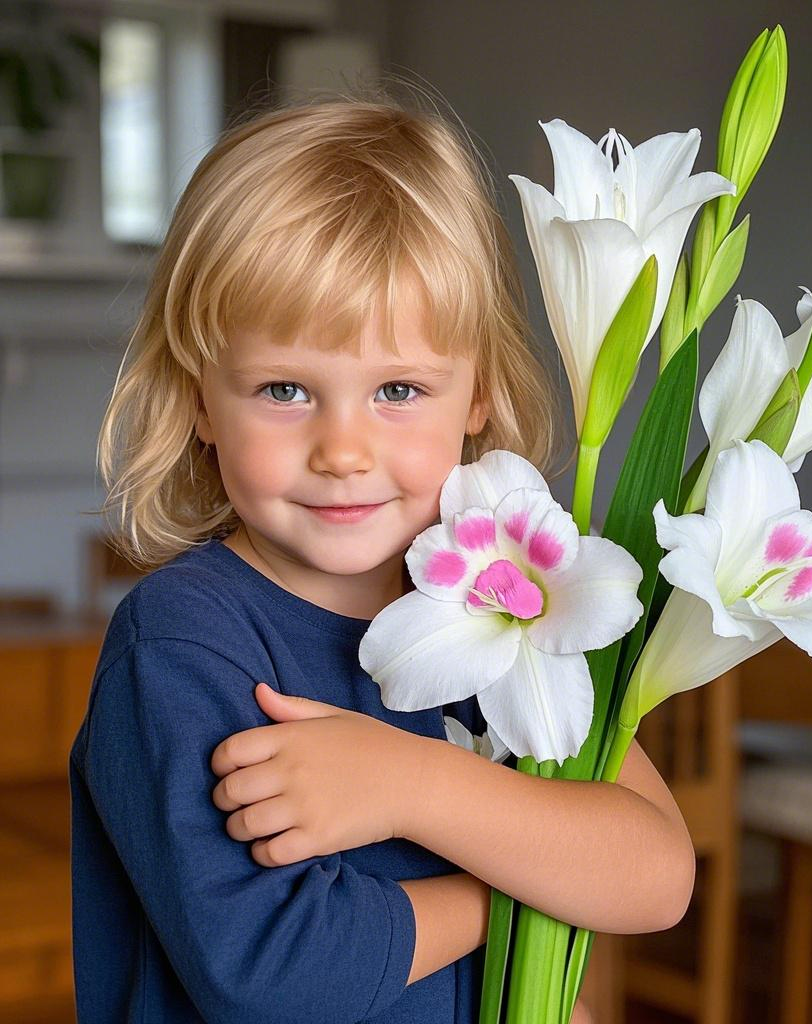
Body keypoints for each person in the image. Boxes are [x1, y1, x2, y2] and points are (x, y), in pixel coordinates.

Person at [70, 92, 695, 1023]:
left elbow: (653, 873)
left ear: (478, 392)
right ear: (201, 399)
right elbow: (277, 977)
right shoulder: (182, 645)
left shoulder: (499, 607)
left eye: (398, 388)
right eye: (285, 388)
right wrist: (519, 887)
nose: (344, 449)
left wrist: (411, 782)